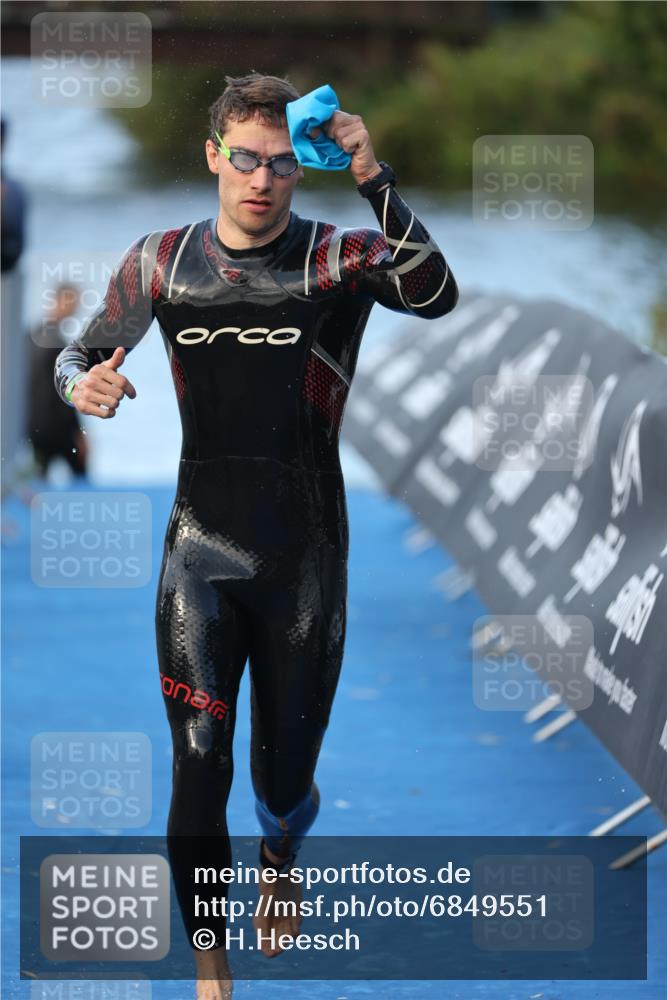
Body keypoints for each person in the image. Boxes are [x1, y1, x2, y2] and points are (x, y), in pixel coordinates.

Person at [54, 73, 458, 999]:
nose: (260, 179)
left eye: (279, 163)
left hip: (304, 560)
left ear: (300, 168)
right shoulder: (161, 261)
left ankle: (280, 856)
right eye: (244, 158)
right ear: (213, 156)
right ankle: (210, 962)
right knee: (199, 760)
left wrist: (372, 174)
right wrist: (82, 386)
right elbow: (78, 352)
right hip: (198, 551)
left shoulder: (339, 259)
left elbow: (436, 294)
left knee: (282, 783)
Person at [28, 284, 88, 478]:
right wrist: (78, 432)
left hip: (33, 424)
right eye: (72, 302)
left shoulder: (32, 335)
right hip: (58, 427)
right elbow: (65, 391)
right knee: (81, 474)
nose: (75, 308)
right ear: (59, 301)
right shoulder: (57, 344)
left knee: (39, 479)